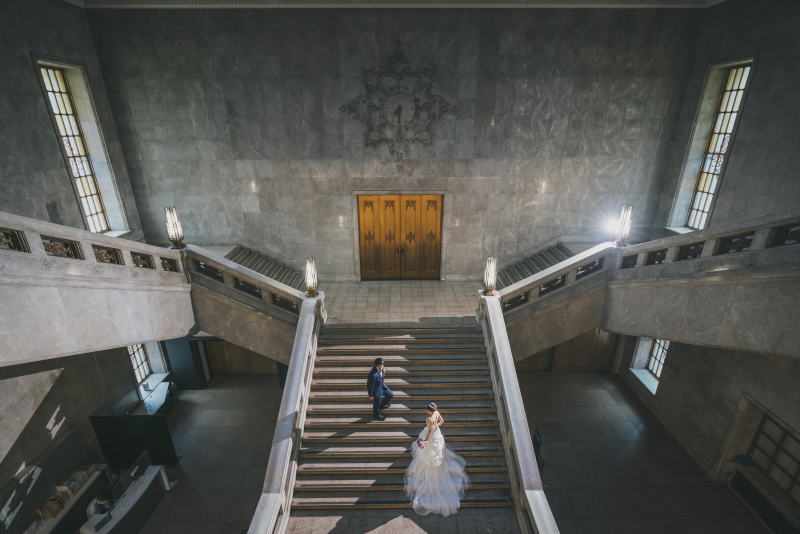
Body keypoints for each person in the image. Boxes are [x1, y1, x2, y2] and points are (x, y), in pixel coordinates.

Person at [404, 402, 470, 516]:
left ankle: (429, 474)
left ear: (429, 410)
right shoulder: (437, 412)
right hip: (437, 435)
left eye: (427, 410)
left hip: (431, 437)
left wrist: (425, 441)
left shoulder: (430, 419)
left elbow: (429, 432)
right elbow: (442, 422)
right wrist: (436, 427)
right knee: (437, 454)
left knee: (427, 455)